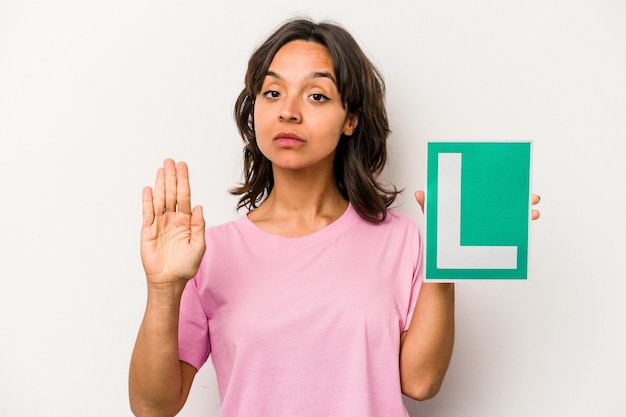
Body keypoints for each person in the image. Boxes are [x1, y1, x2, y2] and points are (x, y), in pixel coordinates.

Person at [128, 18, 540, 417]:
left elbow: (421, 382)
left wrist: (446, 253)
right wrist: (163, 289)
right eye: (273, 92)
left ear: (351, 119)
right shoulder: (207, 252)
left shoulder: (402, 240)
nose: (288, 111)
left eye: (317, 96)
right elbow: (153, 407)